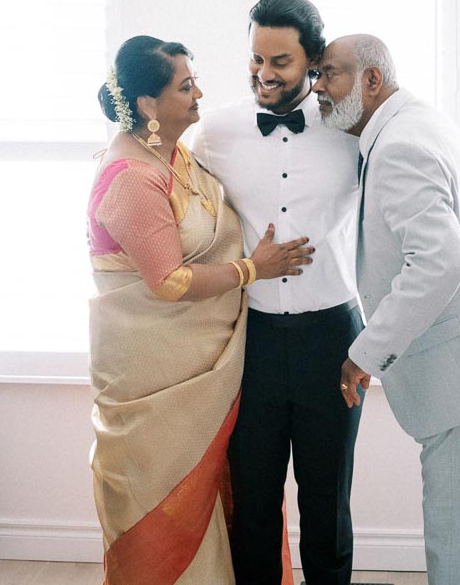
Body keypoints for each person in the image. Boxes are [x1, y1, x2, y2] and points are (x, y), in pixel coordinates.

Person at [87, 35, 314, 585]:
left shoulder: (176, 154)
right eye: (185, 86)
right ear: (146, 104)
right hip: (155, 383)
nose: (199, 95)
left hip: (210, 371)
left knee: (231, 502)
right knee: (163, 511)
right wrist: (253, 270)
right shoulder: (131, 178)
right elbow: (168, 281)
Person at [315, 34, 460, 585]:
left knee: (456, 532)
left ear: (371, 80)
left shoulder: (398, 147)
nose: (318, 86)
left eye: (330, 74)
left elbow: (435, 263)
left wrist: (363, 354)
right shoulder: (417, 121)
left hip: (459, 364)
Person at [190, 0, 364, 585]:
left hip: (333, 340)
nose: (264, 73)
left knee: (327, 505)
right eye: (256, 59)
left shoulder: (353, 129)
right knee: (255, 507)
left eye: (281, 61)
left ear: (313, 60)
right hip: (252, 342)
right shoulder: (216, 132)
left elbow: (416, 184)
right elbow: (162, 184)